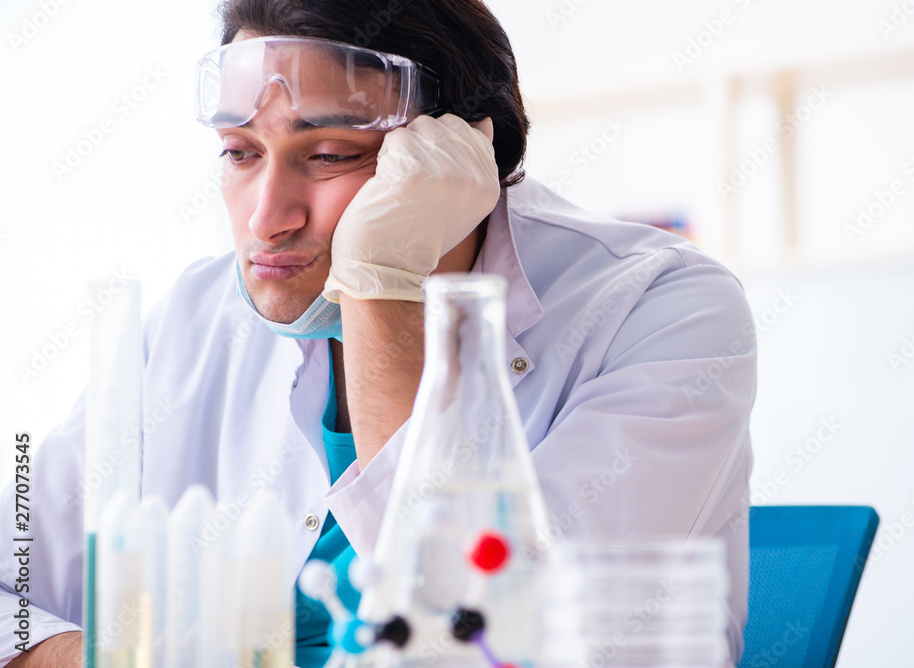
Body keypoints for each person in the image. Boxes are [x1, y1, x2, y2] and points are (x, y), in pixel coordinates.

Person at [0, 0, 757, 666]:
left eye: (329, 156)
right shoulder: (192, 322)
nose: (268, 217)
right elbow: (14, 581)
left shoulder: (660, 309)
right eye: (239, 152)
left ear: (453, 162)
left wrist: (378, 281)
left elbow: (492, 635)